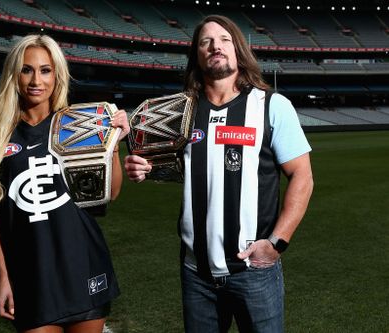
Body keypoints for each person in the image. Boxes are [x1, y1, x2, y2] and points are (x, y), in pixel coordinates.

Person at [124, 15, 313, 333]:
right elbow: (158, 165)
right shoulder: (180, 113)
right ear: (197, 55)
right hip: (196, 274)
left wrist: (277, 243)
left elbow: (303, 177)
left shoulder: (272, 106)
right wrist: (140, 167)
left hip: (254, 271)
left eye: (225, 39)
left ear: (239, 50)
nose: (216, 46)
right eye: (206, 41)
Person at [0, 34, 129, 333]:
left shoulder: (79, 125)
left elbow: (112, 194)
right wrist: (3, 276)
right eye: (26, 69)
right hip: (31, 274)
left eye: (45, 70)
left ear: (57, 76)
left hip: (83, 265)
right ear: (14, 75)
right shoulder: (0, 136)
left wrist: (113, 144)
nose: (36, 80)